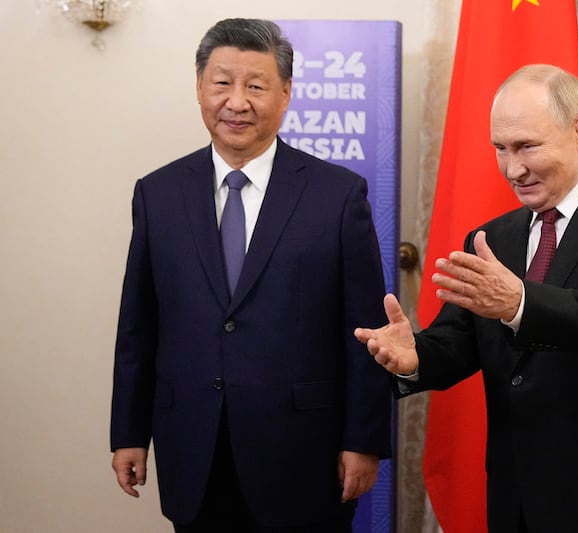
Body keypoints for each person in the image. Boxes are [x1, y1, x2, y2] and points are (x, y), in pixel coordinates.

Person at [355, 64, 578, 533]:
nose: (512, 168)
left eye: (526, 146)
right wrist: (413, 355)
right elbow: (458, 344)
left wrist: (521, 305)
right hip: (518, 500)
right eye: (501, 148)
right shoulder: (492, 237)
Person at [110, 18, 391, 532]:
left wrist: (364, 439)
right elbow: (138, 327)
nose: (236, 102)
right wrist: (128, 431)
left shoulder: (337, 196)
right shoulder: (158, 194)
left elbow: (366, 332)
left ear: (285, 94)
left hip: (304, 454)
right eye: (222, 83)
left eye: (256, 86)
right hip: (193, 446)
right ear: (199, 87)